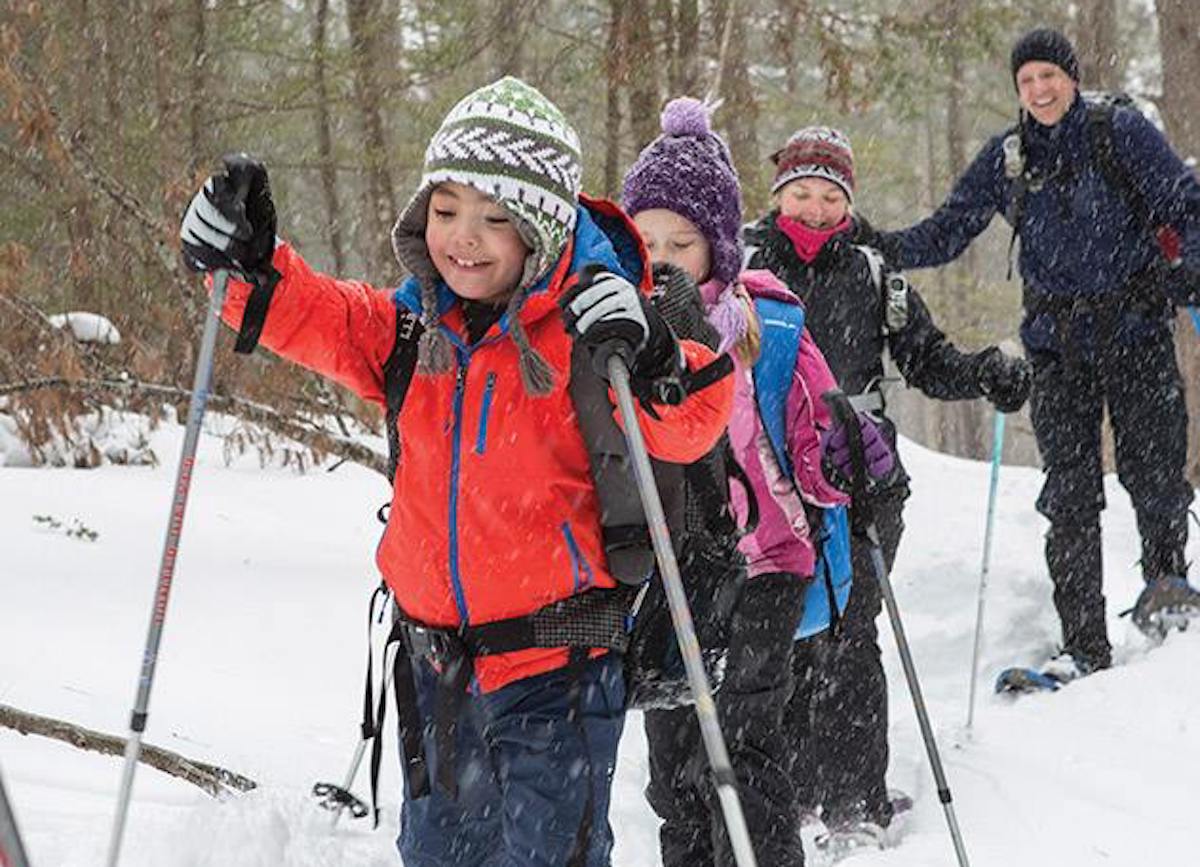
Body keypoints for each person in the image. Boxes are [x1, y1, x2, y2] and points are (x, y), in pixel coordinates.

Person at [177, 76, 735, 867]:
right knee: (439, 855)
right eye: (445, 211)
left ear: (540, 229)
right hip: (437, 669)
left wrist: (649, 349)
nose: (463, 238)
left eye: (494, 218)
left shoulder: (593, 327)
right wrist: (246, 264)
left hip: (558, 672)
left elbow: (699, 412)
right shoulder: (416, 329)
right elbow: (321, 316)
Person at [867, 27, 1200, 677]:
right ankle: (1083, 640)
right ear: (1017, 90)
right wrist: (879, 244)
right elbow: (949, 230)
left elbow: (1185, 201)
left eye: (1050, 75)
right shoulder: (1010, 157)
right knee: (1069, 494)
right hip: (1057, 347)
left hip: (1136, 332)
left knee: (1154, 469)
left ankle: (1168, 591)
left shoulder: (1118, 133)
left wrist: (1190, 268)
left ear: (1071, 78)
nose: (1040, 89)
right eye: (1027, 81)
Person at [743, 124, 1032, 851]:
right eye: (801, 193)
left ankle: (854, 800)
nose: (813, 209)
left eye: (829, 195)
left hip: (859, 477)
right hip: (765, 473)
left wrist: (984, 373)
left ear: (848, 200)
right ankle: (791, 787)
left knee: (847, 631)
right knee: (780, 632)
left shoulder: (875, 273)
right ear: (780, 196)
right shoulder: (742, 263)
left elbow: (928, 360)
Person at [622, 97, 894, 867]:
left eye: (685, 241)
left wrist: (851, 451)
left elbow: (818, 424)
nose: (667, 257)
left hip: (767, 560)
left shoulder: (763, 322)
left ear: (720, 246)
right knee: (675, 766)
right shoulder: (617, 332)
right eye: (648, 241)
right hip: (669, 573)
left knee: (743, 746)